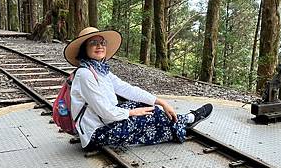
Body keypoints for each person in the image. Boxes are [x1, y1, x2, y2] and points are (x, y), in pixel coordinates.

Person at [64, 27, 213, 149]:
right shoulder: (84, 74)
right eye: (93, 43)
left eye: (102, 42)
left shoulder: (100, 70)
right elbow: (104, 110)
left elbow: (127, 89)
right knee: (146, 116)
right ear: (84, 49)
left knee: (148, 106)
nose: (100, 46)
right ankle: (185, 121)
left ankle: (182, 121)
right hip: (96, 133)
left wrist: (161, 102)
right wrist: (131, 112)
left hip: (106, 120)